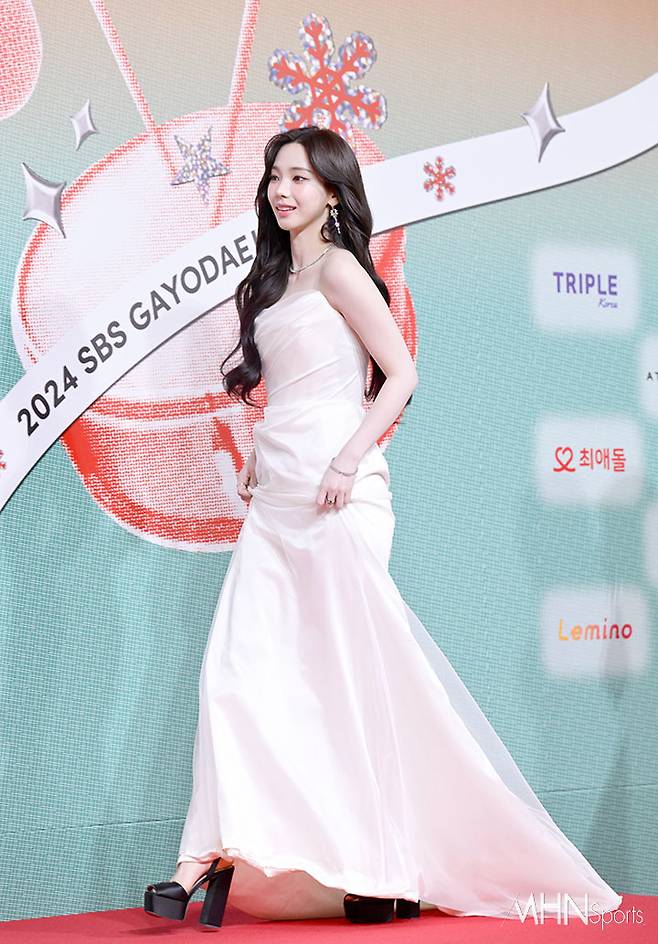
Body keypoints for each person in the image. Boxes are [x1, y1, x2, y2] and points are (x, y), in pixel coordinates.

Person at [143, 127, 623, 928]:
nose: (282, 189)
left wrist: (346, 459)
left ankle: (378, 864)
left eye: (300, 177)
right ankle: (210, 851)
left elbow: (399, 375)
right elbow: (294, 385)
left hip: (339, 495)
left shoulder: (340, 269)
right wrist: (261, 451)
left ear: (333, 192)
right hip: (278, 496)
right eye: (275, 176)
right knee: (238, 671)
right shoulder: (270, 281)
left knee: (347, 683)